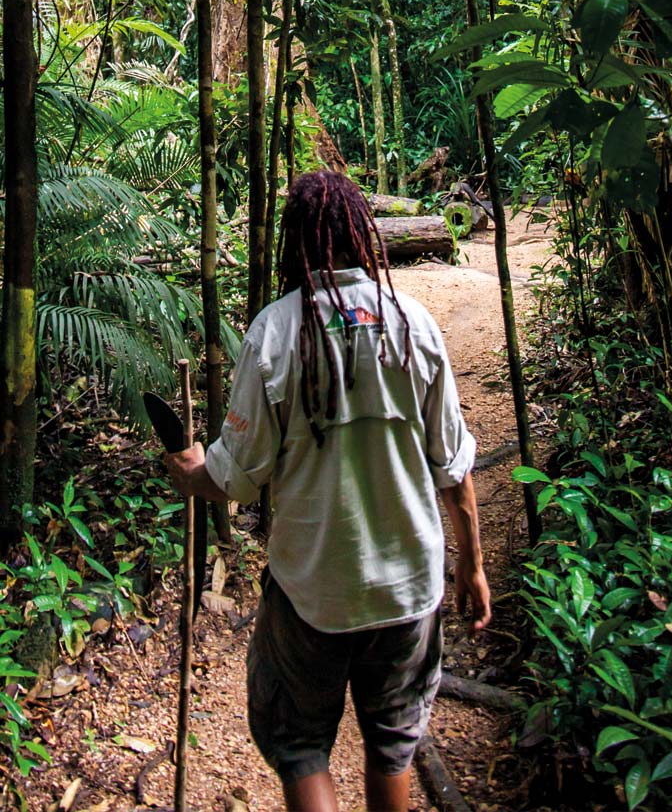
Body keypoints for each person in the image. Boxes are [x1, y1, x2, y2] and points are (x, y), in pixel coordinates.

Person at [165, 170, 491, 812]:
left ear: (298, 244)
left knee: (300, 745)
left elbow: (234, 475)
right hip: (408, 585)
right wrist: (473, 566)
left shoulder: (276, 332)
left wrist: (189, 470)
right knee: (393, 742)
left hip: (313, 588)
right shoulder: (412, 324)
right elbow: (453, 470)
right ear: (362, 235)